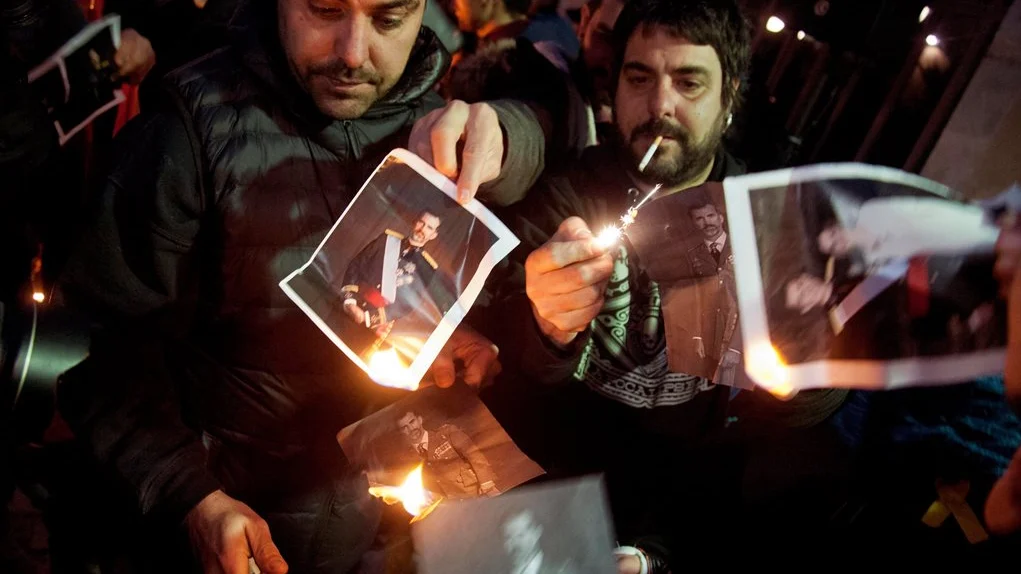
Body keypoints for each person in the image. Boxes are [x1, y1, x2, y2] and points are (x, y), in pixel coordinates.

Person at [55, 0, 547, 572]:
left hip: (364, 536)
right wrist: (190, 496)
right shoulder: (186, 133)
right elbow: (101, 350)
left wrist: (448, 334)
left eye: (388, 20)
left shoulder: (434, 131)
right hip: (210, 535)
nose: (352, 53)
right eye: (325, 10)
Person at [340, 211, 457, 358]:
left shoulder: (426, 268)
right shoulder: (386, 240)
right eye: (421, 222)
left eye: (429, 227)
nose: (422, 229)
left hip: (374, 325)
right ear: (414, 222)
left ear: (433, 235)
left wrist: (368, 317)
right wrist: (350, 301)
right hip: (348, 305)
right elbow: (356, 265)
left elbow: (407, 304)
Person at [397, 410, 498, 498]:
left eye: (412, 422)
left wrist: (486, 482)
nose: (411, 428)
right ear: (401, 432)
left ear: (420, 420)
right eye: (404, 427)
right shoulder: (407, 459)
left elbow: (473, 454)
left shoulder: (446, 433)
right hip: (451, 506)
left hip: (476, 490)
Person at [501, 509, 576, 574]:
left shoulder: (561, 571)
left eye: (520, 535)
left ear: (537, 533)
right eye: (508, 538)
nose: (515, 543)